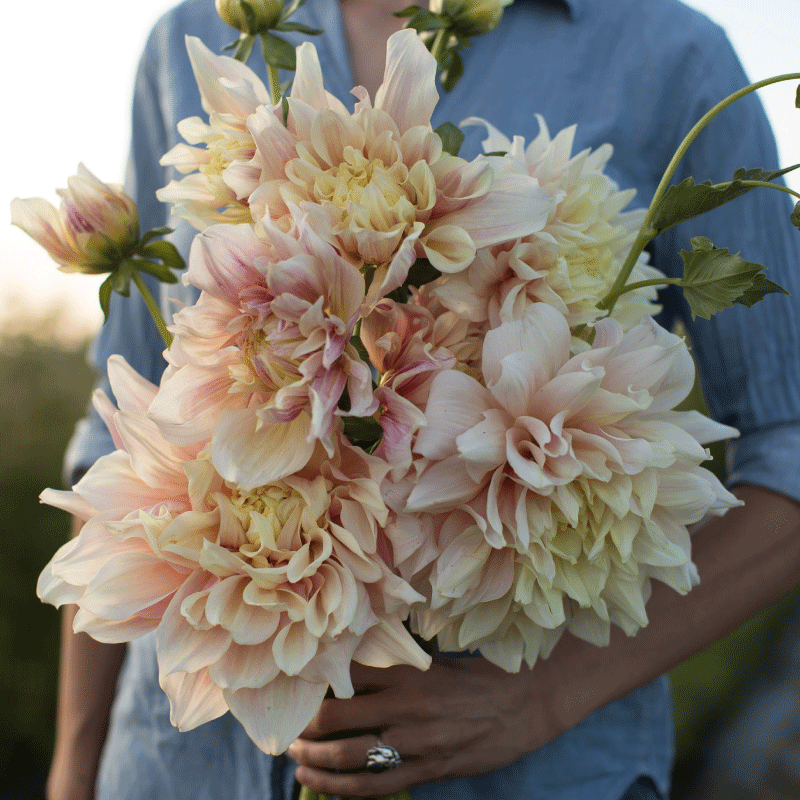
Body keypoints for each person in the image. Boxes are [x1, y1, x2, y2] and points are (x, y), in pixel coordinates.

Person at [47, 0, 800, 798]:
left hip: (528, 771)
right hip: (178, 768)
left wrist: (540, 697)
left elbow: (790, 454)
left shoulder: (668, 54)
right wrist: (74, 763)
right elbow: (117, 441)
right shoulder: (192, 36)